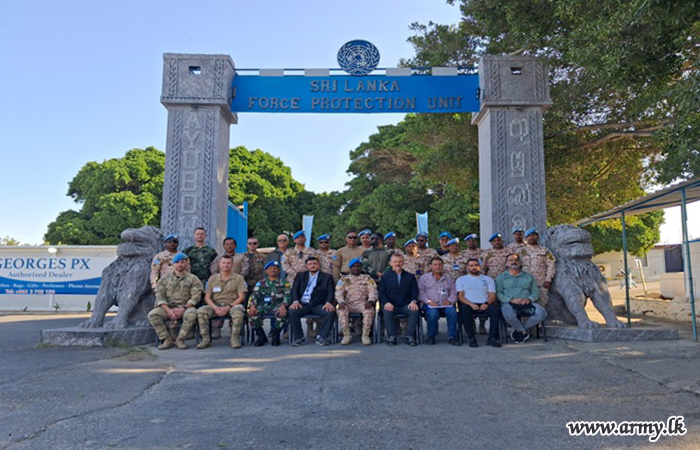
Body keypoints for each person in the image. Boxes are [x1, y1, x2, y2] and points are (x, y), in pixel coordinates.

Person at [147, 253, 202, 350]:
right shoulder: (164, 279)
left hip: (186, 307)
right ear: (173, 264)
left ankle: (180, 339)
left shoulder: (193, 279)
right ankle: (166, 339)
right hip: (167, 308)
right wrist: (168, 311)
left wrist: (183, 309)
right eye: (177, 262)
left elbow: (196, 296)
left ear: (186, 263)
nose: (180, 264)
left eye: (182, 262)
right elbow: (160, 296)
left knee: (192, 314)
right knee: (153, 315)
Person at [195, 255, 248, 349]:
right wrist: (215, 308)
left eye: (228, 263)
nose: (226, 265)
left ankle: (234, 339)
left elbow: (241, 297)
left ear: (232, 264)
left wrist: (228, 307)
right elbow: (207, 297)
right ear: (219, 264)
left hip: (232, 305)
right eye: (223, 263)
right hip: (215, 306)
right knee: (201, 311)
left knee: (238, 310)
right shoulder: (212, 279)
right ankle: (205, 340)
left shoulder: (239, 278)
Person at [496, 253, 547, 343]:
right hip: (509, 303)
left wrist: (529, 299)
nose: (514, 262)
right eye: (511, 260)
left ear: (520, 262)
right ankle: (523, 331)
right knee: (508, 314)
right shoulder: (501, 278)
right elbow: (499, 293)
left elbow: (535, 292)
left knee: (542, 313)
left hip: (527, 302)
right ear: (506, 263)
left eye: (516, 260)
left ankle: (520, 329)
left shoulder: (528, 276)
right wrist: (510, 300)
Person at [288, 257, 336, 346]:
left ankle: (322, 337)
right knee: (292, 311)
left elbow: (331, 292)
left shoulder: (326, 277)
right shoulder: (300, 276)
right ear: (306, 266)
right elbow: (294, 290)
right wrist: (295, 301)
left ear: (319, 265)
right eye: (310, 264)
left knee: (329, 311)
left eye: (314, 263)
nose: (312, 265)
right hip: (303, 304)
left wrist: (328, 302)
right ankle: (299, 337)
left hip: (318, 304)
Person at [457, 259, 502, 348]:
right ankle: (471, 338)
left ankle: (492, 338)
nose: (474, 267)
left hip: (485, 303)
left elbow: (492, 295)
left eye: (476, 265)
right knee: (464, 310)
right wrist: (471, 304)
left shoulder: (488, 279)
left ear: (480, 267)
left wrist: (486, 303)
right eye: (471, 265)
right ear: (467, 267)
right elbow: (460, 296)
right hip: (469, 304)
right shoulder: (461, 280)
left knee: (494, 310)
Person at [379, 254, 420, 346]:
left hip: (406, 305)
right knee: (387, 311)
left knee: (414, 310)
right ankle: (391, 336)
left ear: (403, 263)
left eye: (400, 261)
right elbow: (382, 293)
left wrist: (413, 301)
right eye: (395, 262)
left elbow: (415, 291)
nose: (398, 264)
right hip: (391, 305)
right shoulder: (385, 277)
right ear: (391, 263)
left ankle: (410, 336)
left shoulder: (410, 277)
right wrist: (386, 302)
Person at [335, 258, 378, 346]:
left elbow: (373, 291)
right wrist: (341, 302)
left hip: (362, 303)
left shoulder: (367, 278)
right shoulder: (344, 279)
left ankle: (365, 335)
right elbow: (338, 292)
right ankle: (346, 335)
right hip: (348, 303)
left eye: (358, 266)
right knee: (341, 310)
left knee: (369, 310)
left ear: (361, 267)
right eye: (353, 266)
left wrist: (370, 301)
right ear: (350, 268)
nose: (356, 268)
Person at [248, 261, 290, 346]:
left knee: (282, 313)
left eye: (275, 268)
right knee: (251, 313)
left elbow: (288, 295)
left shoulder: (284, 282)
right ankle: (261, 335)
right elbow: (254, 295)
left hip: (278, 305)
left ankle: (276, 334)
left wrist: (283, 305)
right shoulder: (260, 283)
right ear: (266, 271)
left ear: (279, 270)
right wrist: (252, 306)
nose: (272, 270)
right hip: (264, 306)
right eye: (270, 268)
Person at [419, 257, 459, 346]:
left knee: (452, 312)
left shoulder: (449, 279)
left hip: (446, 304)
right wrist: (428, 301)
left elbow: (454, 292)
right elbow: (421, 292)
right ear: (431, 266)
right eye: (435, 265)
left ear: (443, 266)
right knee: (433, 313)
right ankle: (431, 336)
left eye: (439, 265)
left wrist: (449, 301)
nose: (437, 267)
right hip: (430, 305)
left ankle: (452, 337)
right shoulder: (424, 278)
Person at [521, 228, 557, 307]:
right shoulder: (521, 251)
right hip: (525, 283)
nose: (531, 237)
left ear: (537, 237)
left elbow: (551, 264)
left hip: (541, 282)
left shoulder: (545, 251)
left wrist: (548, 279)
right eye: (529, 236)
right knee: (524, 304)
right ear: (526, 238)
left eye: (533, 235)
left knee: (542, 303)